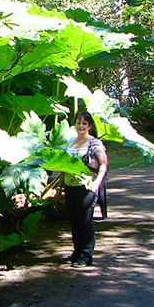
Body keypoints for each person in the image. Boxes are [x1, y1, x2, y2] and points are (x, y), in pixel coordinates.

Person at [63, 110, 108, 268]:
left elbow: (103, 165)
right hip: (70, 185)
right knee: (74, 220)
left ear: (89, 126)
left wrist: (96, 184)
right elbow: (64, 165)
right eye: (78, 122)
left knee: (85, 221)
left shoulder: (94, 143)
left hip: (87, 186)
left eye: (84, 123)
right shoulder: (70, 143)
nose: (80, 126)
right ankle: (77, 251)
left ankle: (86, 255)